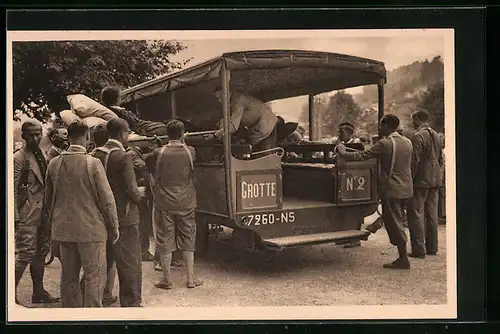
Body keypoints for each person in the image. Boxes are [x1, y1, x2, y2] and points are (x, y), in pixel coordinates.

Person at [45, 120, 119, 307]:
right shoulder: (93, 163)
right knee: (94, 277)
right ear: (86, 137)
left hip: (64, 229)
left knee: (68, 277)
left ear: (68, 137)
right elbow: (107, 201)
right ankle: (92, 317)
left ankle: (71, 318)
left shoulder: (54, 164)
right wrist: (114, 227)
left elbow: (48, 200)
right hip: (92, 230)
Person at [337, 114, 413, 269]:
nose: (379, 129)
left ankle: (403, 258)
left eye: (381, 125)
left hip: (392, 189)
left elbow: (363, 156)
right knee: (396, 220)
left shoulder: (385, 143)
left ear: (385, 126)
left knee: (395, 224)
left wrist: (343, 152)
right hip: (406, 188)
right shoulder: (407, 142)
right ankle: (381, 231)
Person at [93, 118, 146, 307]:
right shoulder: (123, 157)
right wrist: (140, 193)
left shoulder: (95, 154)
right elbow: (132, 191)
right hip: (125, 216)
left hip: (100, 216)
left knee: (101, 260)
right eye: (128, 132)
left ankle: (91, 297)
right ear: (122, 133)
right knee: (130, 262)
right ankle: (131, 302)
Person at [14, 120, 60, 306]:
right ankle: (10, 294)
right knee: (25, 254)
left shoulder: (41, 154)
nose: (35, 138)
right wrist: (16, 217)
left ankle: (38, 292)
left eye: (38, 134)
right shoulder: (19, 158)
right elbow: (12, 189)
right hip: (27, 214)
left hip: (43, 213)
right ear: (24, 136)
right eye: (31, 135)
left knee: (41, 253)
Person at [153, 119, 203, 289]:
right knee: (188, 237)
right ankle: (190, 278)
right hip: (186, 201)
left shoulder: (158, 152)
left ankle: (166, 280)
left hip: (164, 202)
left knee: (164, 238)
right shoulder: (191, 151)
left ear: (167, 134)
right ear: (182, 134)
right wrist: (184, 142)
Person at [85, 123, 119, 307]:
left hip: (91, 212)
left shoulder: (88, 157)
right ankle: (106, 292)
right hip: (107, 210)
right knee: (110, 255)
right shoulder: (113, 156)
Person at [407, 109, 444, 258]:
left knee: (416, 214)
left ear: (416, 119)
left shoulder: (418, 136)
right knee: (432, 214)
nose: (412, 123)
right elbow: (441, 158)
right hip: (435, 180)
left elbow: (415, 161)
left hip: (421, 181)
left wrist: (411, 178)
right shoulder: (436, 135)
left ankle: (418, 250)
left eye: (412, 120)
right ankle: (432, 248)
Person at [213, 86, 278, 152]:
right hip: (263, 124)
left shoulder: (237, 101)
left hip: (265, 125)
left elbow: (233, 126)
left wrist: (215, 135)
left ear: (227, 92)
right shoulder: (234, 99)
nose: (219, 100)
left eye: (221, 96)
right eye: (218, 98)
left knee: (262, 155)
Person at [335, 122, 366, 248]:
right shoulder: (341, 144)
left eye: (341, 132)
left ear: (349, 133)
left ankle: (355, 239)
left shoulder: (357, 145)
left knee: (355, 208)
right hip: (345, 178)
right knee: (346, 209)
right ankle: (347, 236)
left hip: (356, 179)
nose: (339, 134)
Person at [126, 144, 155, 262]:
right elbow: (142, 165)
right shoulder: (131, 154)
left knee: (143, 222)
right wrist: (153, 154)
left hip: (140, 192)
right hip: (139, 193)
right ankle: (142, 251)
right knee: (142, 223)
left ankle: (142, 250)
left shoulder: (134, 153)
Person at [100, 86, 168, 137]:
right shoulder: (117, 112)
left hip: (142, 125)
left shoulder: (115, 110)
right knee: (164, 128)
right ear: (117, 99)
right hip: (142, 128)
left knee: (165, 124)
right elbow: (134, 124)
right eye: (119, 97)